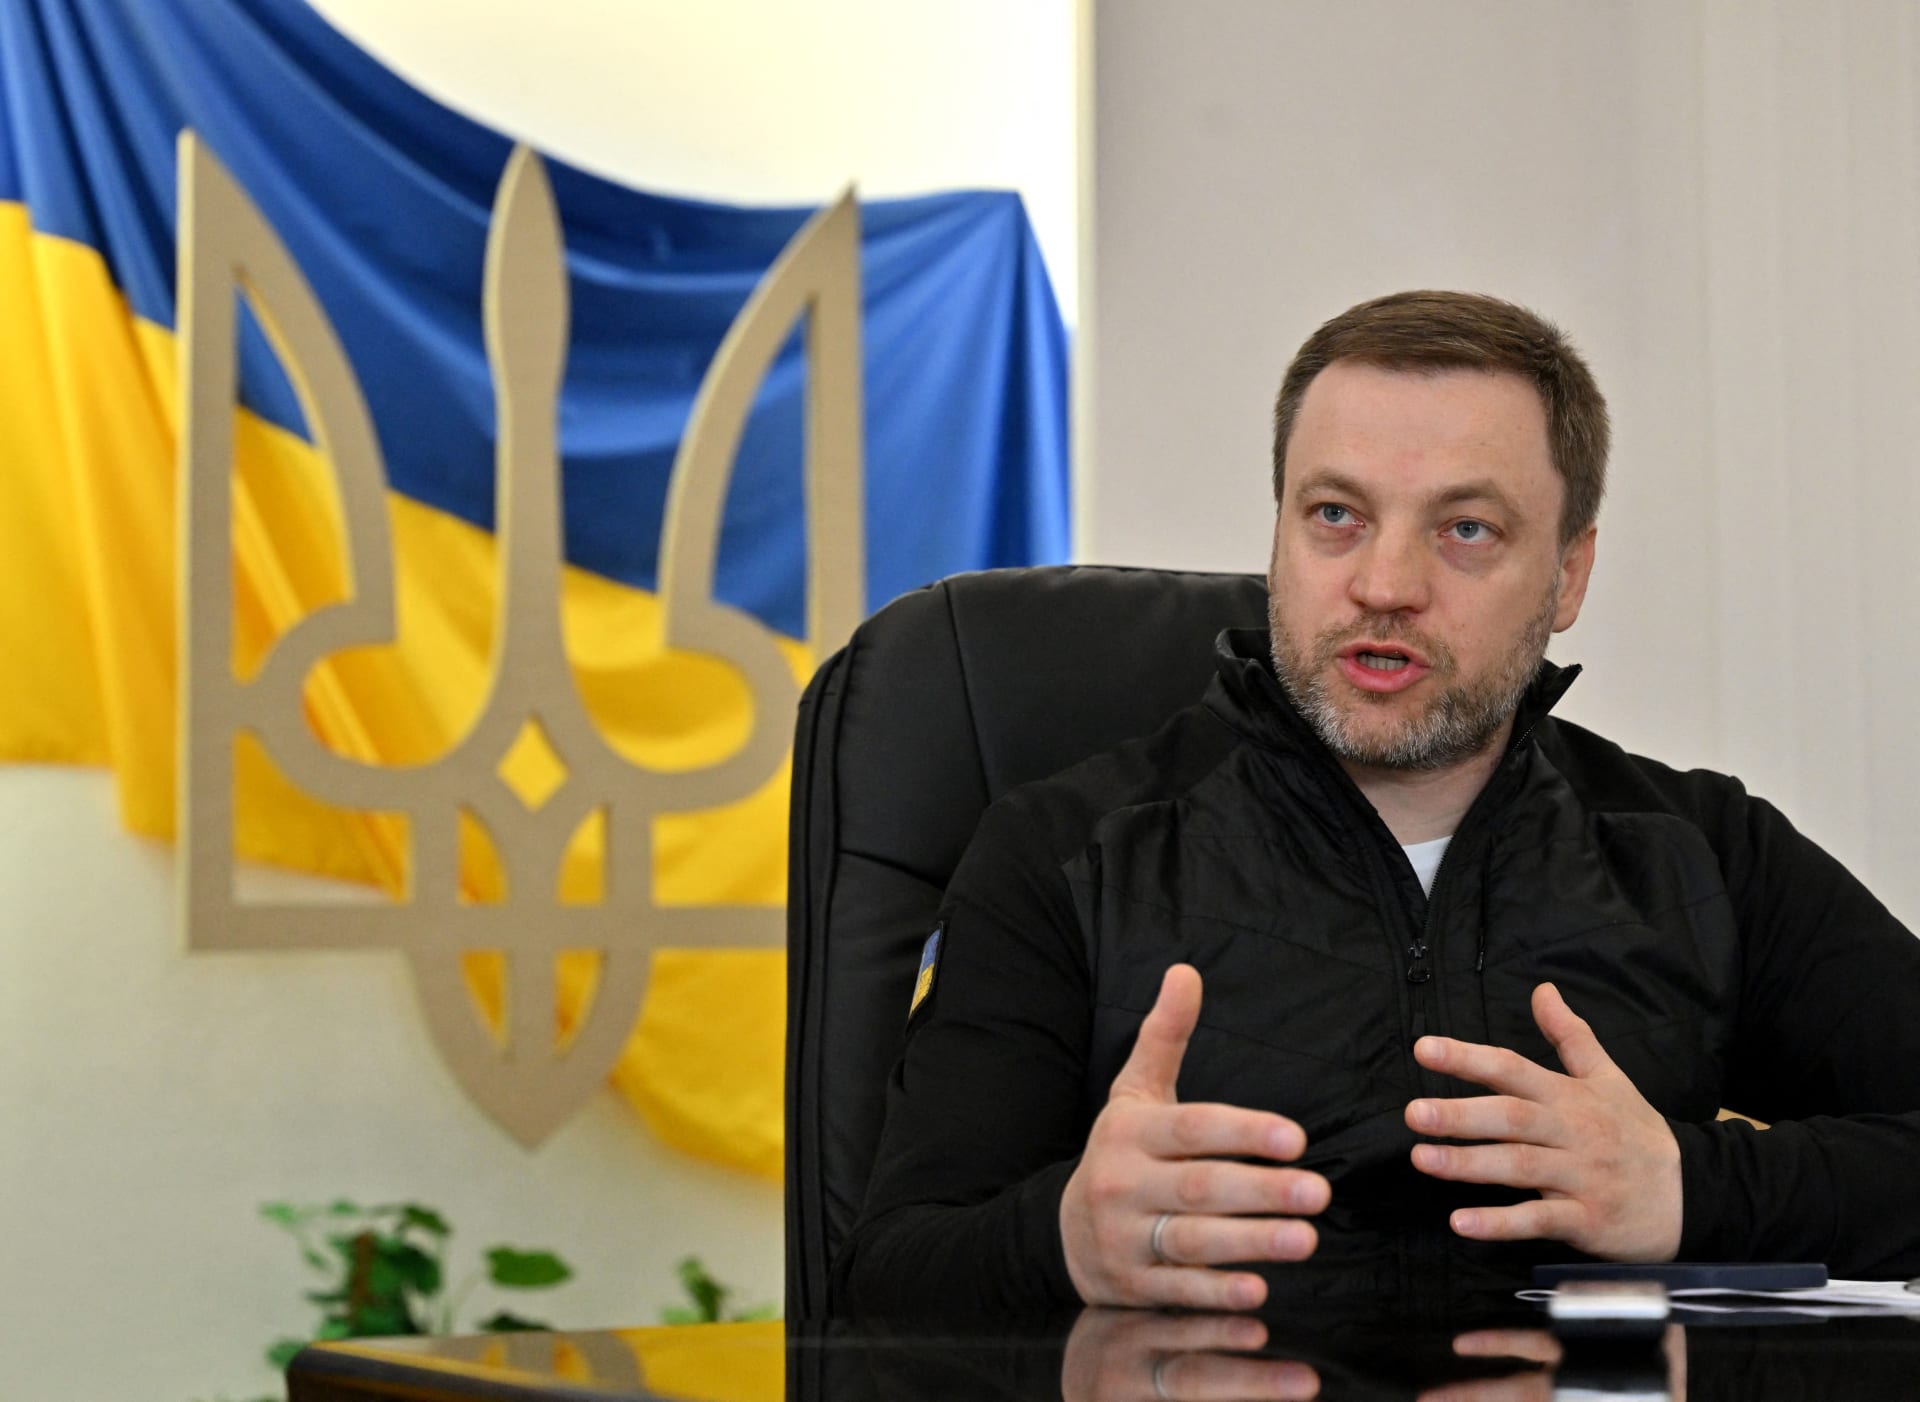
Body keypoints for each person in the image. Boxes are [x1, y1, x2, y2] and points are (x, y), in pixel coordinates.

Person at [831, 291, 1920, 1316]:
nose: (1385, 585)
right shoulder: (1068, 853)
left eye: (1466, 529)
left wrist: (1685, 1185)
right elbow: (889, 1279)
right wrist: (1066, 1238)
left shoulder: (1701, 855)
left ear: (1570, 574)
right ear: (1279, 536)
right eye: (1337, 515)